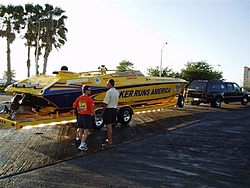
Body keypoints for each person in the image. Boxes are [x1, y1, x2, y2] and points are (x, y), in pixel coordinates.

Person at [73, 85, 96, 151]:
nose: (90, 91)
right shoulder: (89, 99)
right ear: (86, 91)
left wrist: (79, 110)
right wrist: (94, 117)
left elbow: (74, 105)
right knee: (86, 131)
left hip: (80, 116)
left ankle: (82, 142)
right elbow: (93, 109)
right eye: (89, 90)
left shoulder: (79, 98)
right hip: (87, 116)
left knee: (80, 130)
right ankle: (82, 144)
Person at [101, 79, 119, 147]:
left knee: (108, 127)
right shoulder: (117, 92)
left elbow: (105, 103)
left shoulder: (109, 92)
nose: (106, 85)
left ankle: (110, 142)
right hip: (114, 109)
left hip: (109, 110)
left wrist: (103, 112)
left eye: (107, 84)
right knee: (111, 125)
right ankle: (109, 139)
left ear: (110, 84)